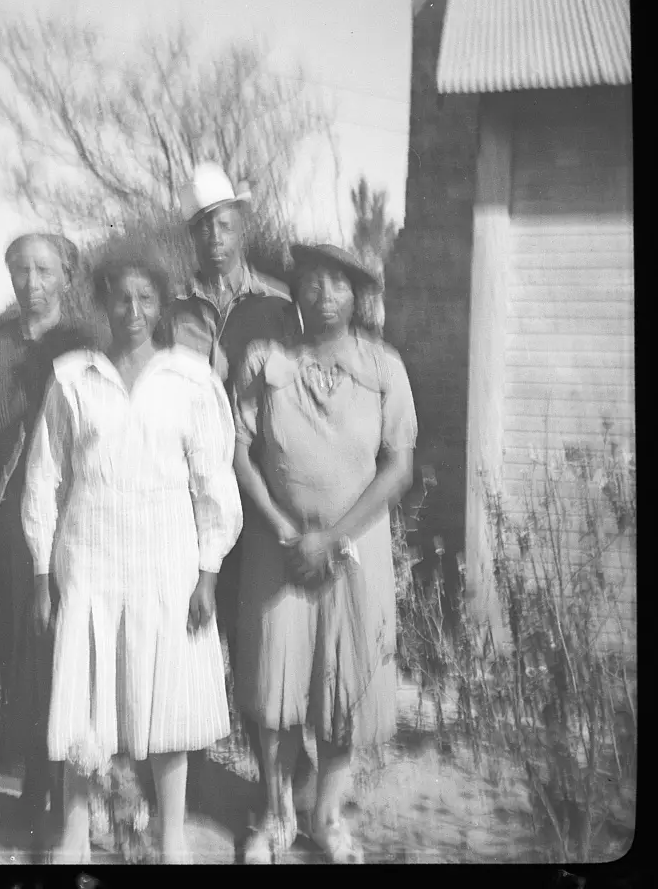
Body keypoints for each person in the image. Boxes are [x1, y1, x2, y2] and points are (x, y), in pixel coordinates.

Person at [21, 247, 243, 864]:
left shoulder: (191, 378)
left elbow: (213, 480)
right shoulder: (73, 376)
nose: (134, 310)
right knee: (84, 702)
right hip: (90, 560)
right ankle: (73, 835)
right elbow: (45, 478)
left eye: (147, 298)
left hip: (167, 564)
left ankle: (171, 835)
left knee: (166, 699)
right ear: (103, 302)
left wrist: (208, 572)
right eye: (122, 297)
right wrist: (43, 574)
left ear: (163, 305)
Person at [231, 243, 417, 864]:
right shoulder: (267, 364)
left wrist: (333, 538)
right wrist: (288, 530)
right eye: (311, 283)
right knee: (275, 687)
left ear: (357, 296)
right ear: (297, 293)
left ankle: (328, 816)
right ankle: (277, 815)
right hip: (276, 548)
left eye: (338, 284)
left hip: (354, 552)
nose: (324, 295)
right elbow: (240, 452)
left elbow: (398, 469)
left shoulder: (384, 367)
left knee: (346, 688)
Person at [162, 163, 318, 809]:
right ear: (191, 238)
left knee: (260, 640)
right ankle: (185, 779)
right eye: (203, 230)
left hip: (260, 492)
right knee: (191, 634)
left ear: (242, 225)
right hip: (192, 499)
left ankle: (277, 787)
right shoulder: (172, 310)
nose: (215, 240)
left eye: (224, 225)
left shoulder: (281, 305)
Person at [0, 233, 95, 837]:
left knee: (64, 653)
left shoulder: (86, 345)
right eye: (20, 268)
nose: (31, 281)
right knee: (18, 651)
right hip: (6, 525)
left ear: (67, 276)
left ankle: (67, 793)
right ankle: (25, 784)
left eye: (44, 269)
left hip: (72, 521)